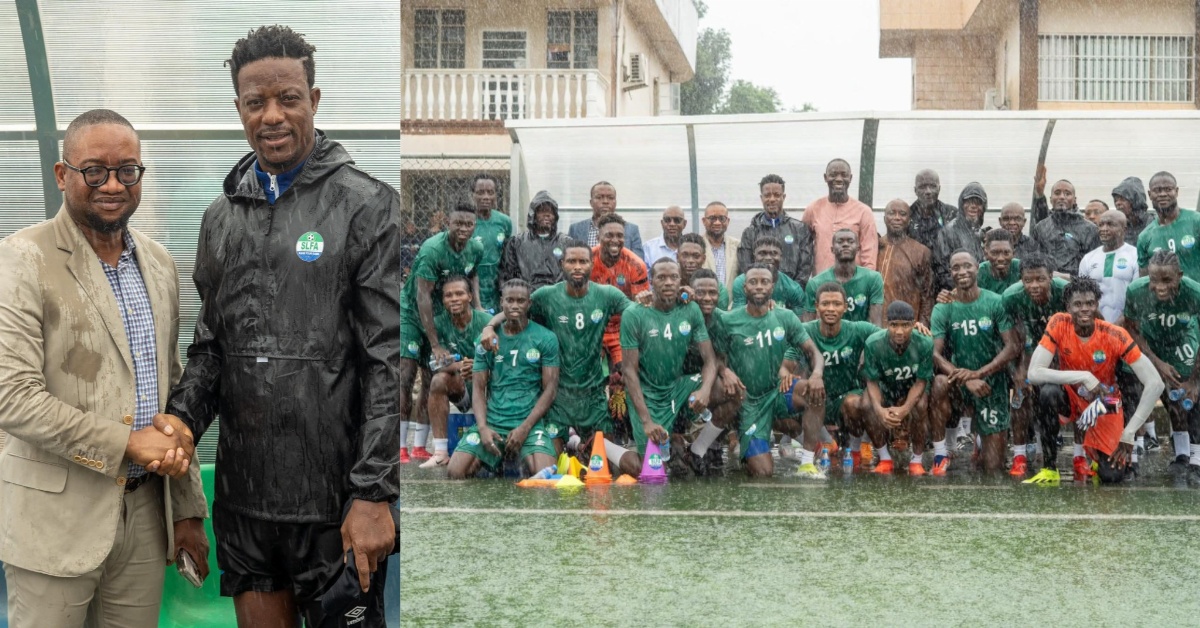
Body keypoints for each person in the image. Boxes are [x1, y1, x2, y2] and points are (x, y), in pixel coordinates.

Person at [164, 27, 399, 627]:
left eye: (288, 98)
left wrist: (374, 490)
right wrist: (179, 422)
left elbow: (387, 360)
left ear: (313, 100)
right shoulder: (220, 218)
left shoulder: (367, 205)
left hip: (335, 504)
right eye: (255, 102)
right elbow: (211, 350)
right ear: (239, 108)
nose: (272, 115)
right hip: (246, 502)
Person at [0, 109, 207, 628]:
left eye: (127, 170)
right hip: (54, 522)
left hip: (145, 518)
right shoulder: (21, 258)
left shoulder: (158, 264)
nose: (112, 185)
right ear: (62, 174)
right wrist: (127, 444)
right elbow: (12, 397)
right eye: (94, 171)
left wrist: (186, 509)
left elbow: (171, 393)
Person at [479, 243, 630, 453]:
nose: (577, 267)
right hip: (557, 397)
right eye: (571, 261)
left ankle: (576, 443)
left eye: (583, 261)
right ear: (561, 264)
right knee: (553, 465)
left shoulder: (607, 294)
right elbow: (514, 309)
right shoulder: (546, 295)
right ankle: (572, 442)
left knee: (605, 463)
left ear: (592, 264)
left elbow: (636, 313)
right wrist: (489, 326)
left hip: (592, 394)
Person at [1026, 278, 1165, 484]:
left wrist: (1129, 433)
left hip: (1103, 402)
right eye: (1078, 304)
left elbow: (1156, 383)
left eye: (1090, 303)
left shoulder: (1115, 334)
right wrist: (1084, 376)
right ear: (1068, 307)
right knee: (1048, 392)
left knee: (1111, 477)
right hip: (1071, 397)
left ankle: (1097, 457)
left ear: (1097, 305)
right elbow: (1034, 373)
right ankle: (1050, 468)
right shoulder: (1059, 323)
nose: (1084, 309)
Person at [614, 259, 727, 477]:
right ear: (651, 281)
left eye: (673, 277)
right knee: (650, 472)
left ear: (681, 280)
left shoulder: (690, 309)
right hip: (648, 394)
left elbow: (710, 360)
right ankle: (604, 445)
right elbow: (629, 372)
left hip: (677, 387)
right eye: (661, 277)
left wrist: (704, 391)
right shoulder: (634, 314)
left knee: (723, 389)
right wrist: (646, 421)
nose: (668, 282)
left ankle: (697, 449)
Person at [709, 264, 825, 477]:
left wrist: (817, 374)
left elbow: (813, 352)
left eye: (764, 282)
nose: (759, 286)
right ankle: (748, 439)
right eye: (753, 282)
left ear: (772, 287)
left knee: (814, 391)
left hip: (777, 391)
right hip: (748, 401)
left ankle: (807, 462)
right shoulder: (728, 320)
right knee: (762, 472)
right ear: (744, 288)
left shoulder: (785, 317)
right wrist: (724, 371)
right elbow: (715, 357)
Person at [448, 279, 559, 479]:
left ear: (529, 304)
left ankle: (510, 458)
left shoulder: (546, 338)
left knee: (545, 477)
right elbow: (478, 388)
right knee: (455, 472)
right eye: (510, 300)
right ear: (501, 302)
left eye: (520, 301)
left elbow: (550, 390)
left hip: (529, 423)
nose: (515, 306)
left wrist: (525, 428)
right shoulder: (486, 340)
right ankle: (495, 460)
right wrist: (483, 427)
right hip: (494, 421)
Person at [400, 203, 482, 464]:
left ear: (475, 226)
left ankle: (420, 447)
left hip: (439, 313)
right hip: (414, 313)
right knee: (406, 375)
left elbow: (473, 275)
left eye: (468, 224)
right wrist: (434, 343)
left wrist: (478, 306)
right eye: (458, 223)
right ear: (448, 223)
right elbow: (422, 295)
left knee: (431, 376)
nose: (463, 228)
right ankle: (400, 447)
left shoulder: (475, 248)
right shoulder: (432, 250)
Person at [931, 251, 1021, 475]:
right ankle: (941, 453)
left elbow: (1012, 347)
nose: (962, 272)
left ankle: (982, 438)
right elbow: (934, 353)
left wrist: (979, 374)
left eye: (967, 266)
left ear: (978, 268)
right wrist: (966, 379)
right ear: (950, 273)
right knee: (939, 384)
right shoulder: (943, 306)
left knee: (993, 468)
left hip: (991, 382)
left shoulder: (995, 302)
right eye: (956, 268)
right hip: (959, 381)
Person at [1120, 251, 1200, 480]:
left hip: (1181, 341)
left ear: (1180, 276)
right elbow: (1130, 328)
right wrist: (1156, 363)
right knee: (1132, 390)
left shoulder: (1195, 293)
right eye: (1154, 280)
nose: (1160, 287)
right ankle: (1131, 459)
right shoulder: (1136, 290)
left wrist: (1195, 381)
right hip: (1148, 344)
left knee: (1188, 396)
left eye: (1167, 280)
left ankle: (1192, 459)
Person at [797, 282, 879, 478]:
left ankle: (856, 449)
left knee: (856, 403)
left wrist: (916, 328)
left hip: (845, 398)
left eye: (836, 304)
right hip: (815, 398)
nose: (831, 309)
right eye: (825, 304)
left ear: (845, 307)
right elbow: (785, 358)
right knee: (791, 390)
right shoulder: (804, 331)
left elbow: (889, 336)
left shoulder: (858, 329)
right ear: (816, 306)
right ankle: (821, 442)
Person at [1003, 253, 1070, 477]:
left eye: (1040, 279)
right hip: (1028, 351)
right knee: (1021, 393)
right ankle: (1019, 455)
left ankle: (1078, 456)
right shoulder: (1011, 297)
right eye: (1028, 280)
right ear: (1021, 279)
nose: (1034, 285)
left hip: (1062, 350)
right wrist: (1020, 369)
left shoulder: (1065, 292)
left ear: (1051, 276)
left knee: (1053, 395)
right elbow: (1015, 338)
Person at [419, 276, 491, 468]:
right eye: (448, 295)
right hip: (461, 389)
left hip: (488, 390)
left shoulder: (486, 322)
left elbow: (502, 361)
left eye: (459, 293)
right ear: (442, 300)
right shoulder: (438, 324)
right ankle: (440, 453)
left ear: (470, 296)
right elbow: (435, 363)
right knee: (438, 380)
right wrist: (461, 366)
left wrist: (478, 367)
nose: (454, 299)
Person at [861, 301, 934, 475]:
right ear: (887, 323)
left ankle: (916, 460)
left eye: (905, 325)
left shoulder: (924, 342)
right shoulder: (873, 343)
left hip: (912, 386)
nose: (899, 331)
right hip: (886, 387)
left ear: (913, 324)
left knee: (920, 405)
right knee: (866, 404)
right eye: (894, 325)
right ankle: (885, 458)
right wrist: (879, 410)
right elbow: (872, 381)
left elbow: (921, 382)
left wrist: (905, 408)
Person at [590, 213, 650, 383]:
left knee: (627, 376)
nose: (615, 240)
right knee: (589, 374)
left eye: (620, 236)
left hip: (621, 328)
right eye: (609, 235)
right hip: (594, 326)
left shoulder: (636, 264)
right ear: (598, 237)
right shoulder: (587, 260)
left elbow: (639, 307)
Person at [736, 174, 814, 285]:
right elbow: (745, 268)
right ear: (761, 198)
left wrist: (794, 290)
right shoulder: (750, 233)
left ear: (784, 197)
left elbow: (805, 267)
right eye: (767, 195)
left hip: (791, 292)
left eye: (777, 195)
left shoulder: (800, 230)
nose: (772, 199)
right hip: (759, 291)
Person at [804, 159, 879, 273]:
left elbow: (869, 253)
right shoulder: (813, 209)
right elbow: (803, 247)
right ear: (825, 177)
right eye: (833, 175)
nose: (839, 179)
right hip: (822, 279)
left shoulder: (864, 212)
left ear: (850, 178)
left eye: (844, 175)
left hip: (854, 279)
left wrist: (866, 279)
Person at [802, 229, 884, 326]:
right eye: (840, 242)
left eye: (850, 241)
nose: (845, 245)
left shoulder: (873, 279)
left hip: (863, 335)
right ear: (832, 249)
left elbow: (876, 325)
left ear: (858, 248)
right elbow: (807, 326)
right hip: (828, 335)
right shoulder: (815, 283)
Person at [500, 190, 576, 290]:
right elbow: (507, 275)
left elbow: (571, 273)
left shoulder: (566, 243)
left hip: (556, 295)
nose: (547, 215)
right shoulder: (516, 243)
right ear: (533, 215)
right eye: (542, 211)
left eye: (551, 212)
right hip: (525, 295)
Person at [1031, 168, 1100, 277]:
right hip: (1047, 282)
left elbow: (1094, 265)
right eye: (1057, 193)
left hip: (1076, 284)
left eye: (1067, 194)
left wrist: (1072, 279)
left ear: (1074, 200)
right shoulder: (1041, 227)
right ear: (1051, 199)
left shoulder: (1089, 229)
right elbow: (1035, 259)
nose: (1062, 197)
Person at [878, 199, 935, 325]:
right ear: (884, 218)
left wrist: (923, 324)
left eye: (902, 214)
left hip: (907, 326)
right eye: (892, 213)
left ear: (909, 220)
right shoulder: (875, 247)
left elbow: (927, 295)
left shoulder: (920, 252)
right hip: (876, 326)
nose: (897, 218)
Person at [1137, 171, 1200, 279]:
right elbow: (1145, 278)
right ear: (1150, 194)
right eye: (1157, 190)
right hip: (1163, 291)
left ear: (1176, 191)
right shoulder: (1145, 237)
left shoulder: (1196, 221)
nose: (1162, 194)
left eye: (1168, 189)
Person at [1079, 210, 1139, 323]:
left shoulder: (1135, 256)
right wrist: (1101, 324)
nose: (1104, 229)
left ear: (1124, 229)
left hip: (1127, 325)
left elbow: (1137, 297)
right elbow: (1082, 295)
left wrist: (1119, 324)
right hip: (1095, 325)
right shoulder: (1088, 259)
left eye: (1110, 224)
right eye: (1101, 225)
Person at [567, 181, 644, 261]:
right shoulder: (576, 229)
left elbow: (638, 262)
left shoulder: (631, 229)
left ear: (615, 202)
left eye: (610, 198)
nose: (605, 201)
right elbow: (569, 259)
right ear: (591, 202)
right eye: (599, 197)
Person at [469, 173, 513, 313]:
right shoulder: (466, 222)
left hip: (495, 284)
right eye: (480, 192)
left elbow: (508, 255)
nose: (486, 197)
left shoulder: (504, 222)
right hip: (471, 282)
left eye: (490, 192)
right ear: (472, 195)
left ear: (496, 195)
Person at [909, 169, 958, 289]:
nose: (928, 191)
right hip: (915, 281)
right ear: (915, 190)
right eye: (922, 187)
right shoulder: (907, 216)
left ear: (939, 188)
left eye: (932, 186)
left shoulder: (952, 214)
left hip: (947, 281)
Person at [731, 235, 806, 310]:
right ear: (754, 256)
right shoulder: (741, 282)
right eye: (762, 253)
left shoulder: (793, 288)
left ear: (781, 257)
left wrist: (777, 311)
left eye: (774, 253)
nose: (768, 258)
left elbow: (798, 316)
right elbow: (737, 314)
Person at [935, 183, 988, 288]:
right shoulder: (948, 232)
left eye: (978, 203)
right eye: (969, 202)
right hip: (959, 290)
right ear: (961, 204)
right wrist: (961, 289)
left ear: (984, 207)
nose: (973, 206)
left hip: (979, 291)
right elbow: (942, 270)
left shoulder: (981, 233)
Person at [679, 232, 729, 309]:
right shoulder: (669, 285)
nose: (690, 260)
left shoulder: (718, 288)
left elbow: (719, 315)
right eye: (685, 255)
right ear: (677, 257)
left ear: (703, 259)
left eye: (696, 256)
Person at [701, 201, 739, 287]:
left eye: (722, 218)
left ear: (728, 221)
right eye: (712, 218)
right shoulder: (696, 246)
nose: (717, 223)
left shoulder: (738, 246)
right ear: (704, 221)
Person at [977, 229, 1021, 295]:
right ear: (986, 253)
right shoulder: (978, 273)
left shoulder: (1022, 268)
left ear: (1013, 253)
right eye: (994, 253)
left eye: (1006, 253)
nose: (1000, 258)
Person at [1112, 176, 1153, 246]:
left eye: (1122, 199)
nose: (1117, 203)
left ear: (1135, 200)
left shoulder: (1152, 223)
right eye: (1116, 200)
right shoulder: (1117, 226)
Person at [642, 205, 686, 269]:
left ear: (684, 224)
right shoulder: (648, 248)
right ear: (662, 223)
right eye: (667, 220)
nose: (672, 224)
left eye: (677, 220)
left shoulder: (691, 248)